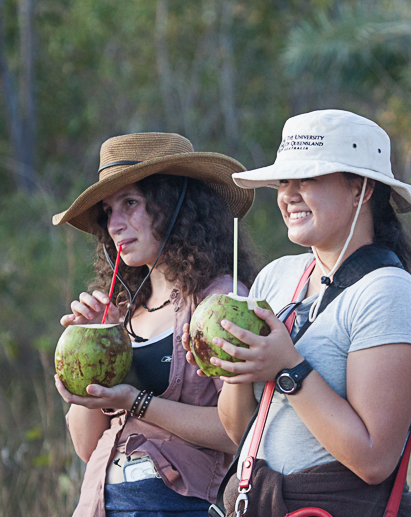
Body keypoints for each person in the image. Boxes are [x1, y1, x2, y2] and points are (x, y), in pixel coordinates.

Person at [183, 109, 411, 516]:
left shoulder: (387, 292)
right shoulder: (276, 278)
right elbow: (239, 430)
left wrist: (288, 369)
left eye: (309, 179)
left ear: (362, 189)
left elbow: (373, 461)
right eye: (284, 181)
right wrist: (232, 366)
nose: (288, 194)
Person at [52, 132, 259, 517]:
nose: (115, 225)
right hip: (98, 502)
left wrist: (136, 402)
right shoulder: (124, 311)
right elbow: (86, 447)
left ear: (175, 206)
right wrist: (86, 370)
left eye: (130, 203)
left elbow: (240, 432)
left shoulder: (219, 302)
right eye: (108, 211)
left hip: (175, 504)